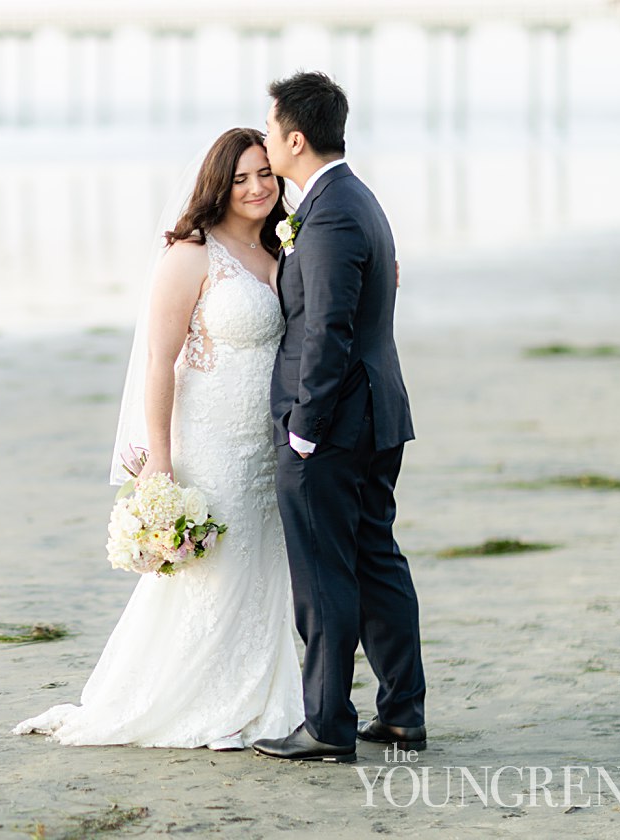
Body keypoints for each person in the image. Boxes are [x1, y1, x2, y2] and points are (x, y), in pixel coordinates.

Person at [12, 128, 304, 750]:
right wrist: (161, 463)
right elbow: (159, 362)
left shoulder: (283, 253)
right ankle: (197, 698)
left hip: (266, 444)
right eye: (241, 177)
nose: (256, 188)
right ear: (218, 186)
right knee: (216, 573)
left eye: (265, 174)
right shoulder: (191, 255)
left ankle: (260, 695)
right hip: (211, 443)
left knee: (263, 569)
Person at [251, 72, 427, 764]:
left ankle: (326, 721)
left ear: (295, 138)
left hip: (333, 426)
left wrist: (303, 428)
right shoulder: (355, 200)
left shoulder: (329, 215)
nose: (267, 142)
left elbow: (327, 331)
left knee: (324, 574)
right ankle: (402, 714)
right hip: (375, 413)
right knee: (376, 562)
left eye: (270, 130)